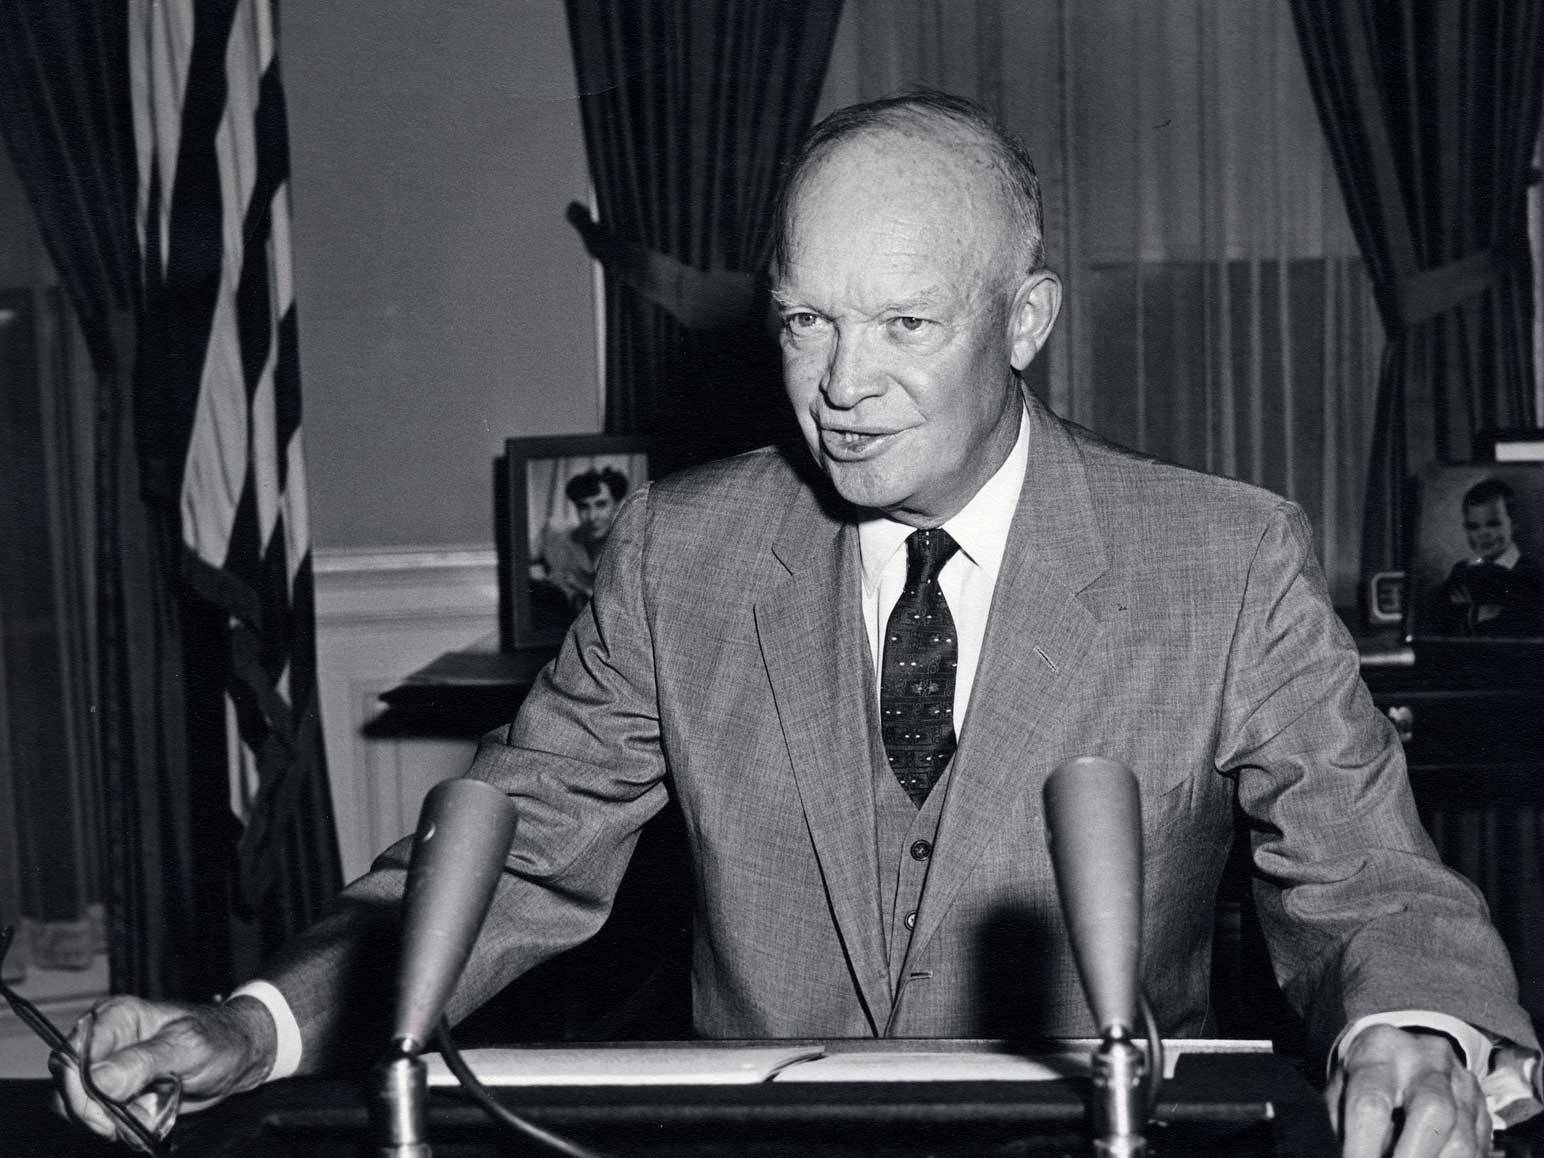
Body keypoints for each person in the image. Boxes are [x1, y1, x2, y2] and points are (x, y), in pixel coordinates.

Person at [56, 92, 1539, 1158]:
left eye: (904, 325)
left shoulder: (1222, 557)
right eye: (804, 321)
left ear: (1026, 319)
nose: (840, 383)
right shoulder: (676, 556)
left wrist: (1414, 1032)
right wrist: (253, 1026)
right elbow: (504, 840)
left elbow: (1370, 880)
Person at [1431, 477, 1544, 638]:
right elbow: (1440, 622)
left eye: (1493, 524)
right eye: (1473, 526)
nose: (1483, 534)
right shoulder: (1460, 571)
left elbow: (1525, 625)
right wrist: (1478, 614)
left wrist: (1467, 613)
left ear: (1514, 524)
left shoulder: (1531, 573)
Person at [539, 466, 629, 614]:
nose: (592, 517)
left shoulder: (628, 546)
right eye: (584, 507)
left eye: (601, 504)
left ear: (616, 505)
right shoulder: (558, 535)